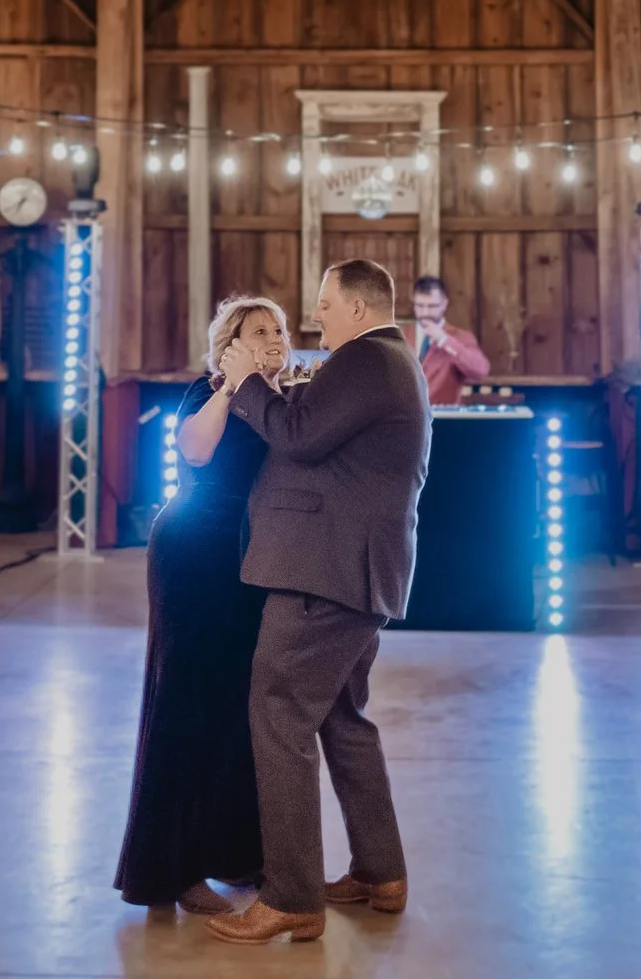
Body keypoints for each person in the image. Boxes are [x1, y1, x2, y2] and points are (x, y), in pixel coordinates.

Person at [180, 258, 430, 946]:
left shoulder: (364, 360)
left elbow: (296, 434)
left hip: (325, 575)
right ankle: (382, 872)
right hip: (351, 574)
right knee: (343, 719)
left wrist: (246, 379)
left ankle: (291, 895)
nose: (316, 317)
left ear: (356, 306)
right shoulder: (386, 362)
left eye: (324, 303)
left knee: (278, 712)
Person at [113, 295, 290, 915]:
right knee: (184, 703)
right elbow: (194, 451)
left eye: (277, 330)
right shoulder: (207, 390)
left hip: (247, 565)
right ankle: (174, 872)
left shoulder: (283, 402)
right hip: (192, 554)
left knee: (237, 707)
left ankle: (236, 853)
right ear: (229, 344)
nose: (271, 338)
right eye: (256, 331)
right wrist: (232, 384)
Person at [410, 274, 491, 407]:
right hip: (404, 421)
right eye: (420, 306)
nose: (425, 313)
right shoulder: (399, 335)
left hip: (443, 418)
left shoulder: (460, 337)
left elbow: (481, 371)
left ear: (444, 304)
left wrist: (444, 339)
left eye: (432, 306)